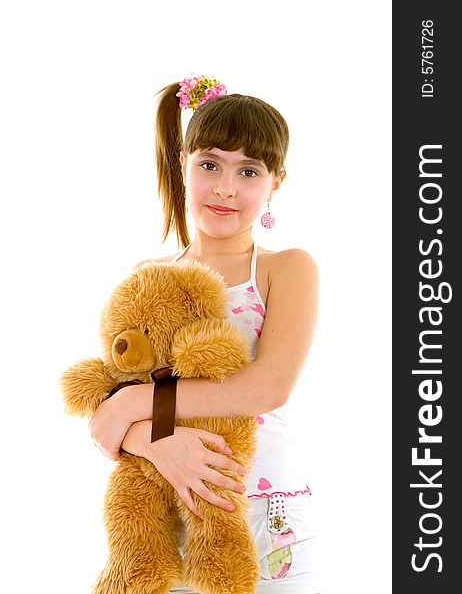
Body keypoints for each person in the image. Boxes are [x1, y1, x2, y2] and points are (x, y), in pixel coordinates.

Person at [89, 75, 320, 593]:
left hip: (263, 511)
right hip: (168, 512)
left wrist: (140, 406)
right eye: (210, 164)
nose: (225, 187)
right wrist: (156, 439)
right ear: (183, 165)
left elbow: (267, 387)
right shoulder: (148, 279)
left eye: (249, 171)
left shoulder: (284, 269)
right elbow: (103, 424)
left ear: (275, 183)